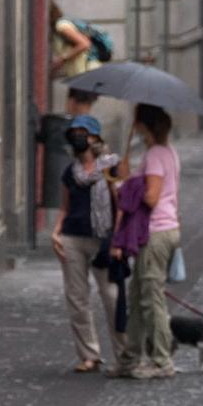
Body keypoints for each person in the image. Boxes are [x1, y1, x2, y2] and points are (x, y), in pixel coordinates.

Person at [112, 103, 182, 381]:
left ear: (143, 126)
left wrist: (127, 181)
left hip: (155, 232)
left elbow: (151, 197)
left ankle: (162, 360)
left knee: (151, 299)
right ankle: (130, 359)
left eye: (136, 123)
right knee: (138, 297)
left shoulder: (154, 155)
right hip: (165, 229)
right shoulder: (169, 153)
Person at [51, 114, 124, 374]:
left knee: (112, 298)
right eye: (73, 132)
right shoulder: (70, 172)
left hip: (104, 239)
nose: (77, 137)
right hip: (73, 238)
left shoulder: (112, 167)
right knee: (77, 299)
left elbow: (121, 206)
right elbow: (65, 206)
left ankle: (123, 354)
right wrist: (57, 231)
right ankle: (89, 354)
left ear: (95, 137)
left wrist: (116, 238)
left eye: (82, 132)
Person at [49, 3, 102, 81]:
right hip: (79, 74)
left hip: (86, 72)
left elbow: (84, 44)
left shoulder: (61, 26)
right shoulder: (55, 30)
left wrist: (63, 59)